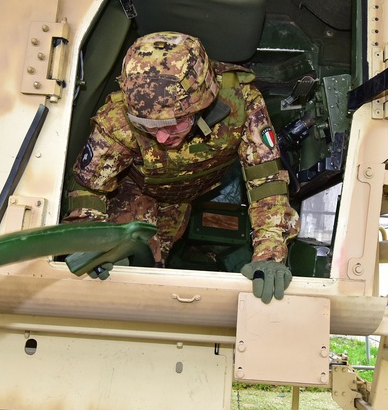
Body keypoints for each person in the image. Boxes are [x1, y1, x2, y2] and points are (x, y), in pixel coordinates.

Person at [65, 31, 299, 302]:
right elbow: (87, 188)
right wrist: (91, 240)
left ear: (204, 102)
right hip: (135, 192)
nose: (162, 137)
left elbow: (265, 184)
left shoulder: (242, 104)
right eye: (148, 126)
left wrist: (270, 255)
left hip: (183, 199)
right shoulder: (117, 120)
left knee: (158, 261)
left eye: (176, 123)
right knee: (129, 275)